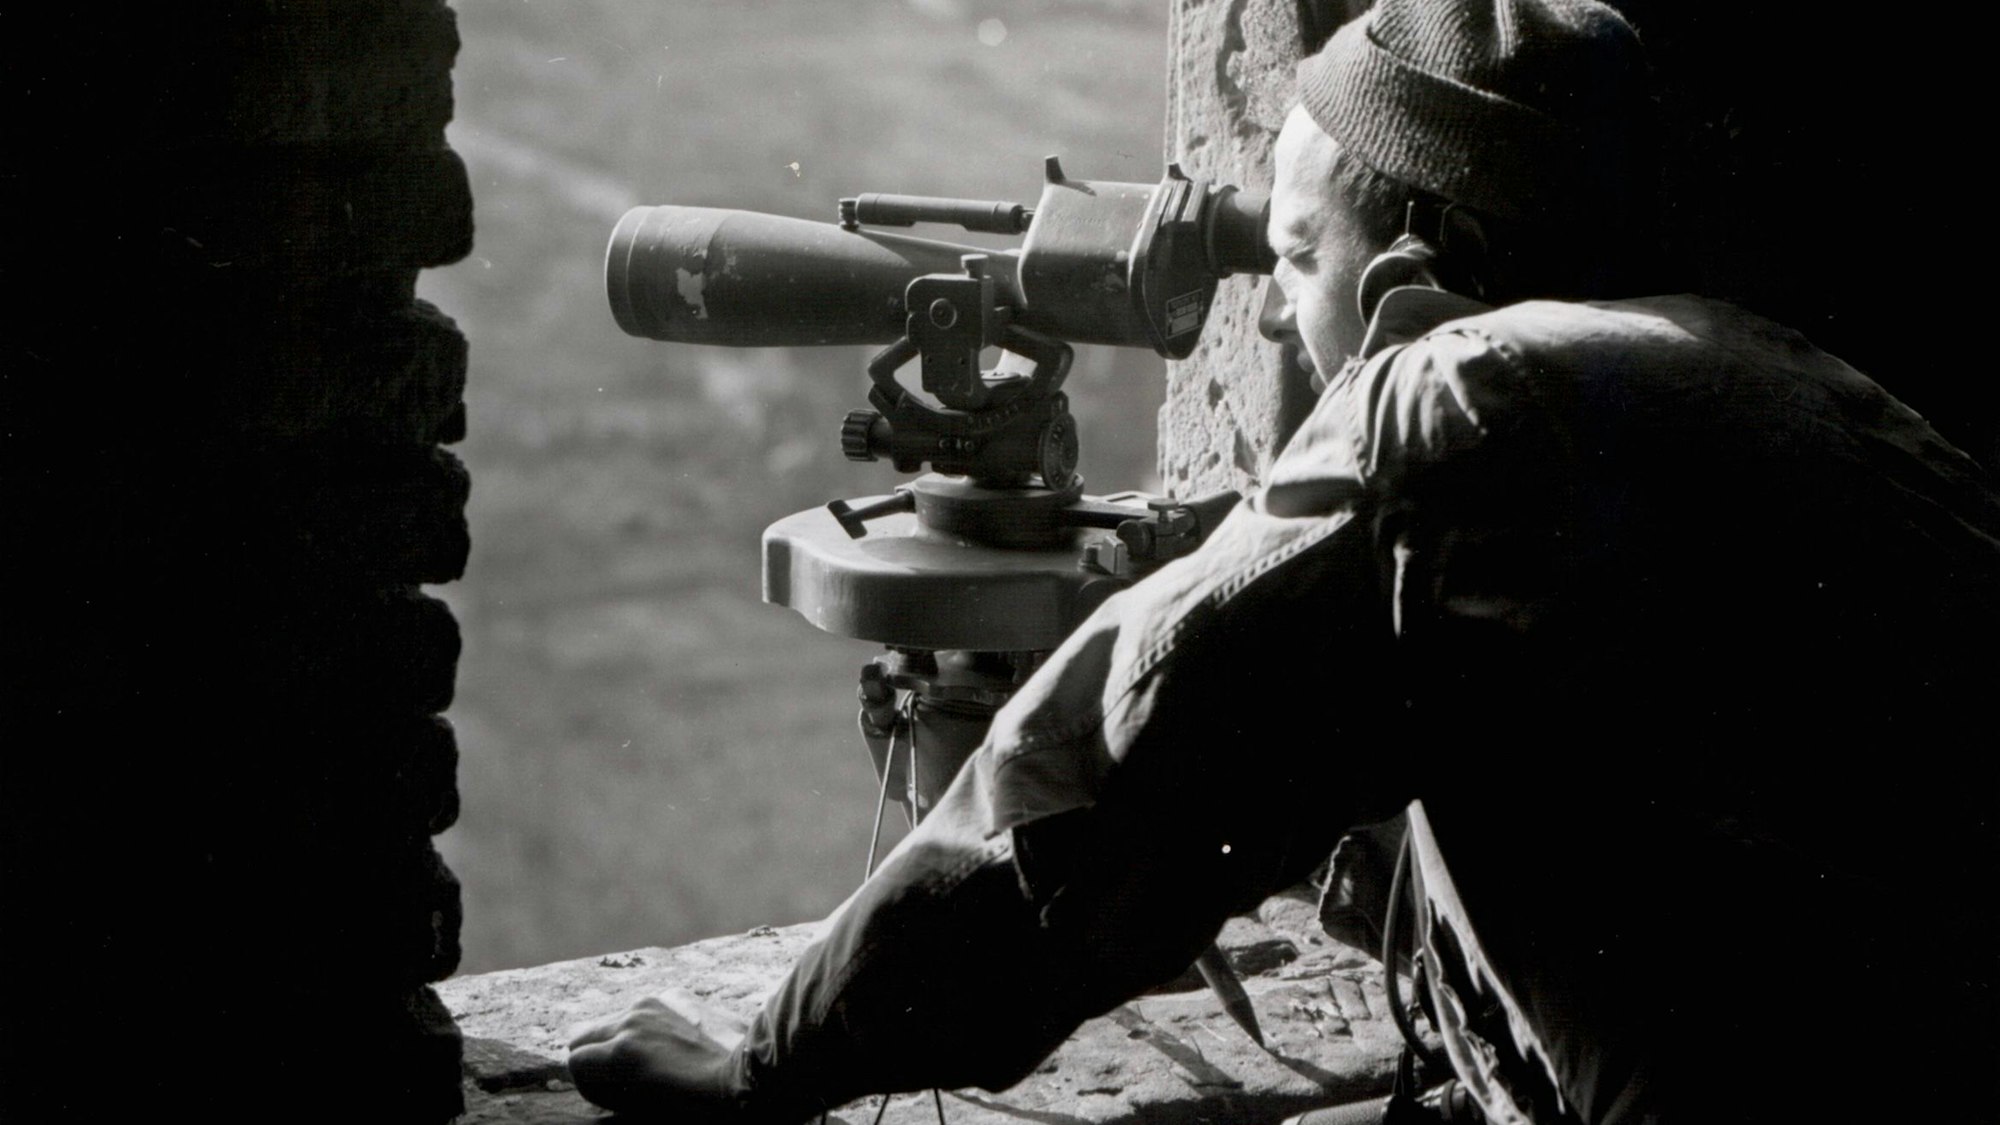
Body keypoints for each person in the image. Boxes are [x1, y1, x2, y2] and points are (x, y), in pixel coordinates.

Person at [569, 1, 2000, 1120]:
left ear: (1401, 284)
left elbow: (1088, 794)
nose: (1264, 325)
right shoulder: (1794, 378)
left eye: (1293, 256)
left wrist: (765, 1068)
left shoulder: (1461, 400)